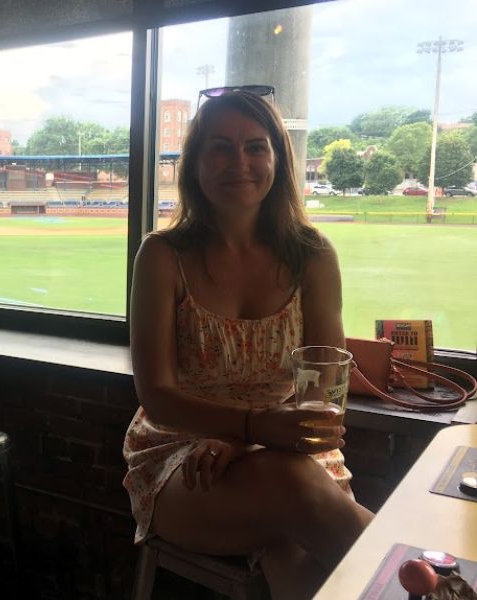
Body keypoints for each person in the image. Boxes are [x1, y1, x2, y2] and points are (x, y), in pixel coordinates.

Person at [123, 90, 373, 600]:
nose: (240, 162)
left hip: (288, 446)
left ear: (278, 161)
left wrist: (246, 441)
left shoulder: (312, 255)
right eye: (220, 147)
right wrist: (255, 429)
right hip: (182, 454)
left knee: (293, 549)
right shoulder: (162, 255)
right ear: (194, 164)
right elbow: (157, 394)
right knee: (293, 491)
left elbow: (323, 393)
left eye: (256, 147)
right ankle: (435, 576)